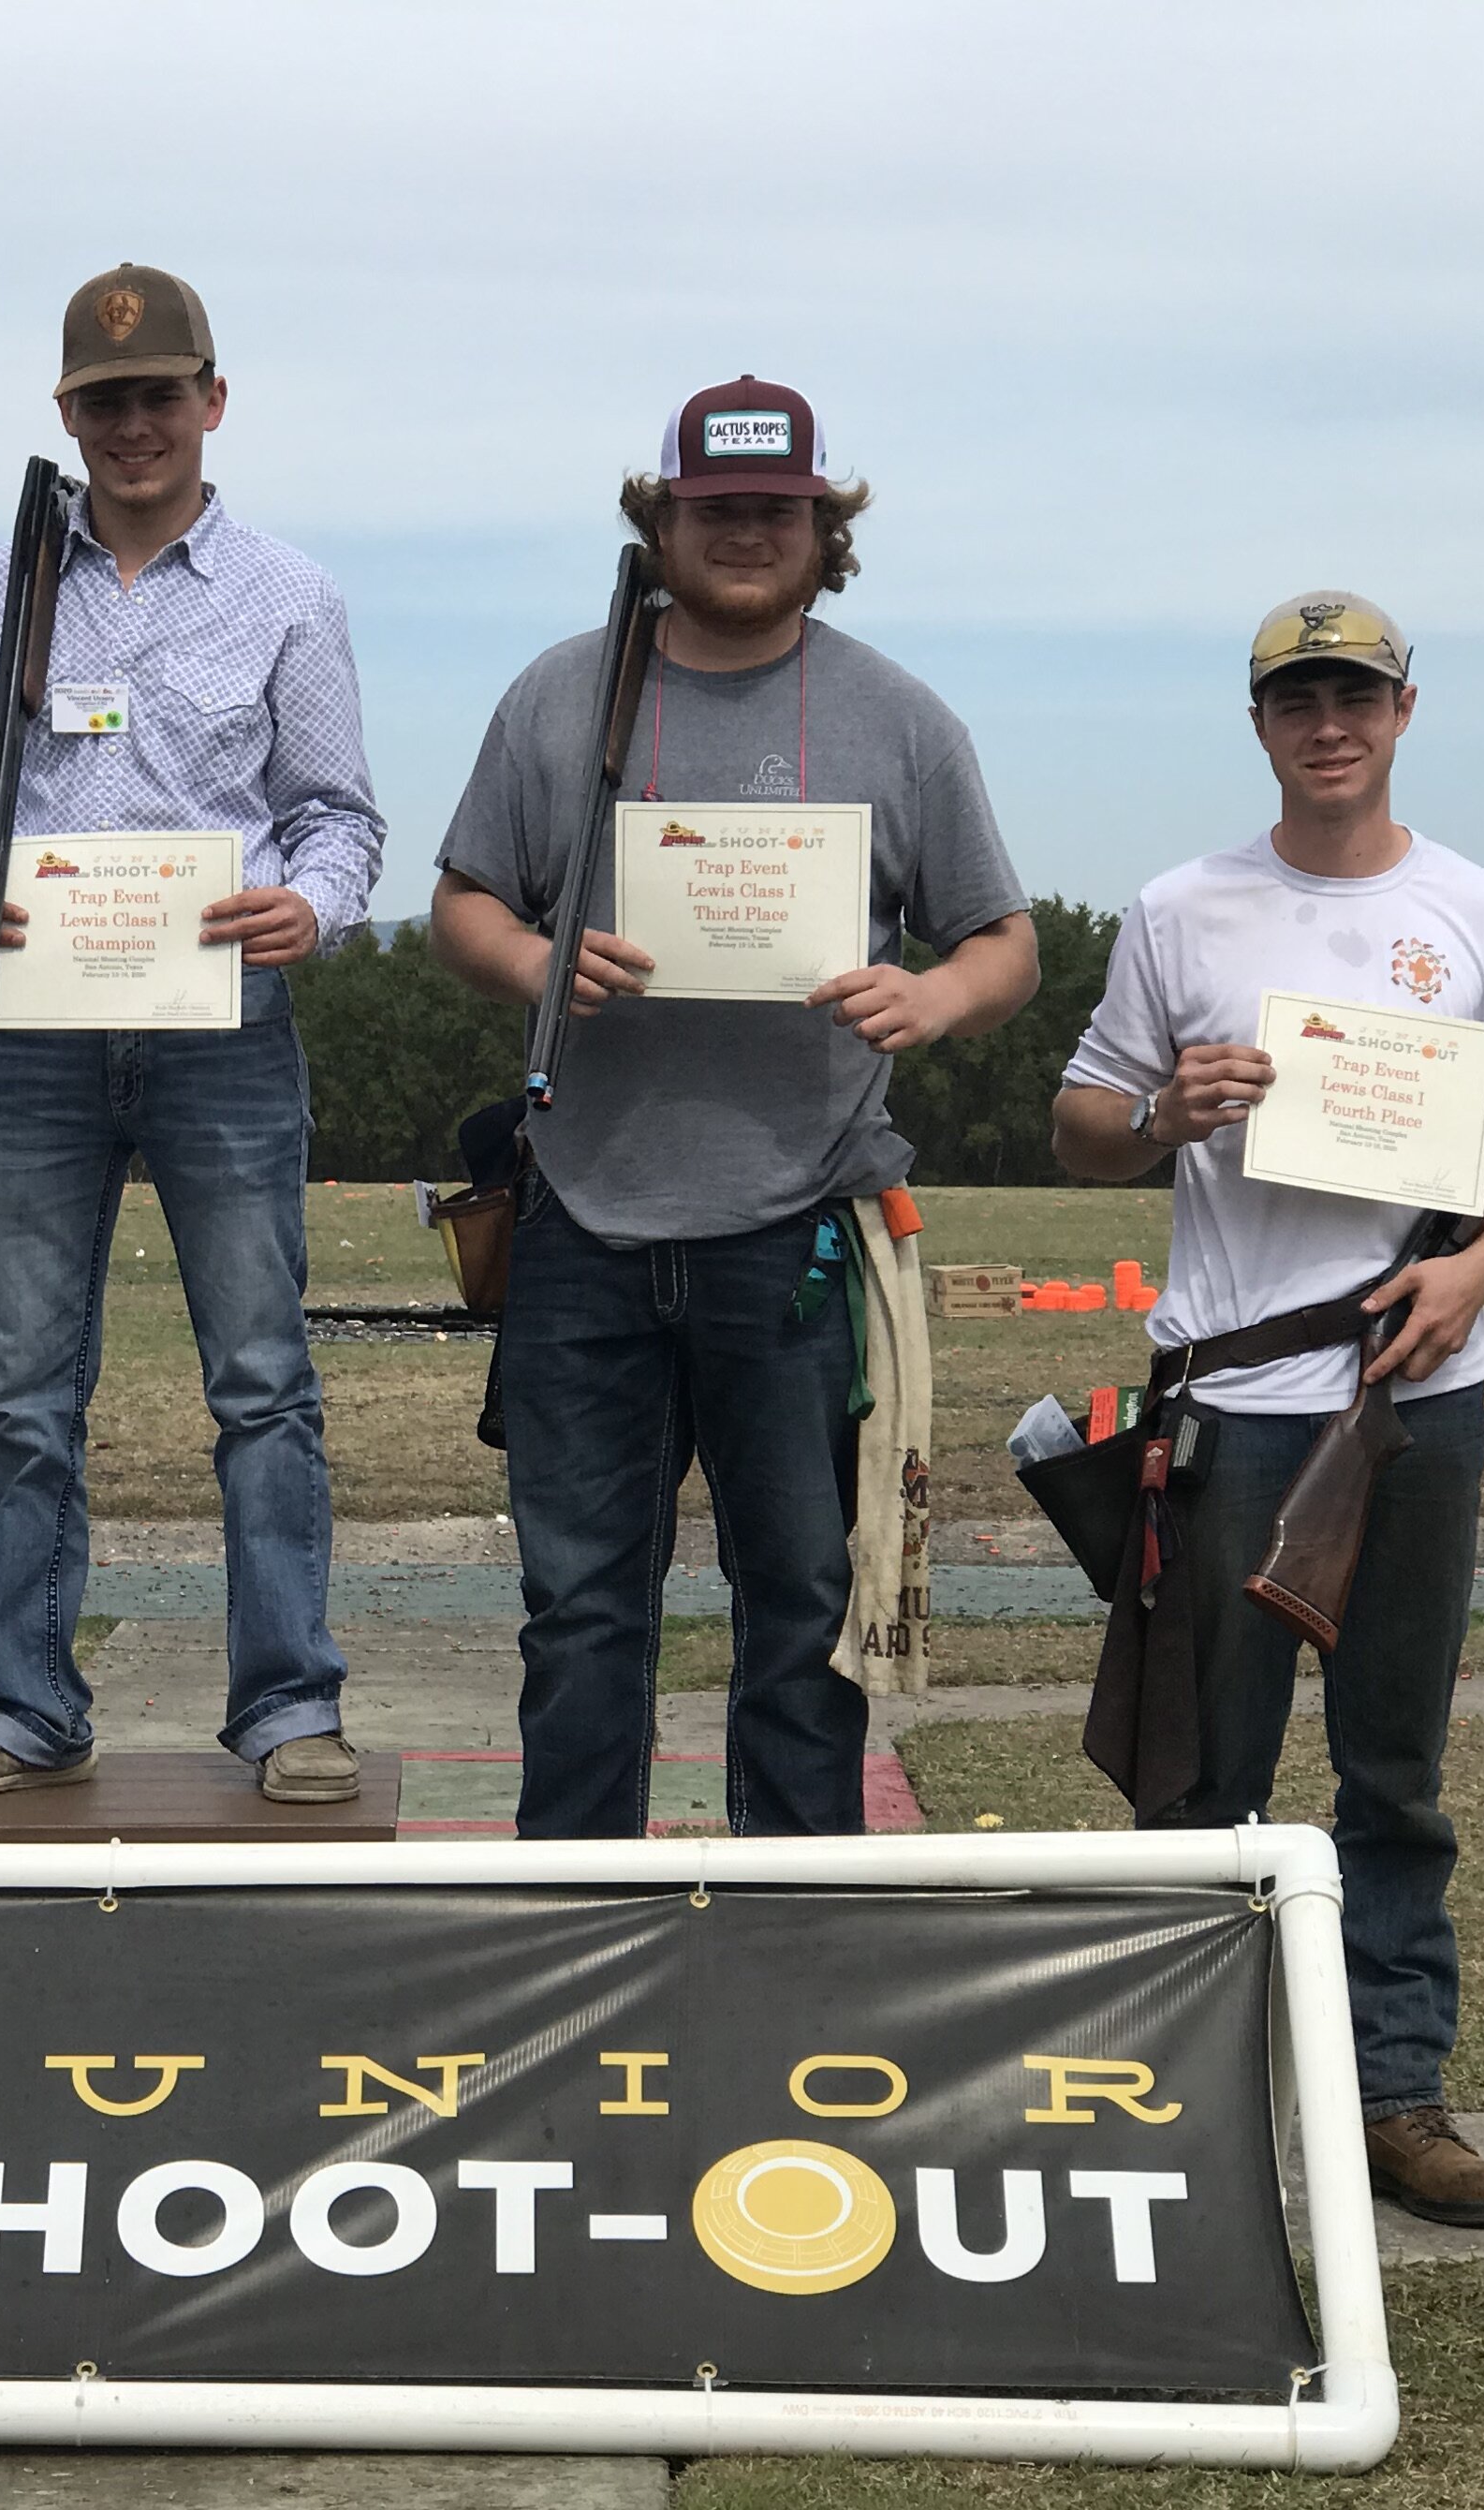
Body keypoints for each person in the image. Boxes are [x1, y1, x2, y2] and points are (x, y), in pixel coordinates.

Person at [430, 377, 1038, 1838]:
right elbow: (461, 901)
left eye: (782, 512)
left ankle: (795, 1908)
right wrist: (534, 960)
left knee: (803, 1606)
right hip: (583, 1213)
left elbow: (1001, 943)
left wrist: (934, 1001)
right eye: (718, 510)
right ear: (662, 519)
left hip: (799, 1230)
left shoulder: (900, 717)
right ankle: (576, 1904)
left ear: (829, 529)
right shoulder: (562, 694)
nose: (750, 535)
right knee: (580, 1609)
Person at [1051, 592, 1484, 2228]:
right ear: (1259, 720)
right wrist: (1158, 1109)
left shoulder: (1481, 909)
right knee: (1201, 1765)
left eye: (1354, 693)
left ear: (1404, 709)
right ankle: (1175, 2094)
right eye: (1297, 697)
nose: (1326, 721)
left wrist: (1472, 1271)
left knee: (1393, 1766)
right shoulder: (1179, 907)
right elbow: (1076, 1122)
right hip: (1237, 1390)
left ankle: (1392, 2090)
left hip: (1418, 1394)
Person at [0, 261, 386, 1807]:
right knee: (25, 1385)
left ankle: (288, 1704)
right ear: (65, 413)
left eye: (158, 396)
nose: (133, 426)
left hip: (225, 1022)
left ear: (211, 403)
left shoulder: (291, 595)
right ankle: (23, 1701)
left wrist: (311, 906)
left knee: (259, 1377)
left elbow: (336, 818)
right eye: (103, 402)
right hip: (38, 1032)